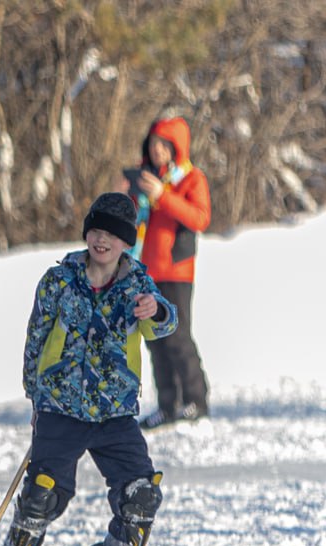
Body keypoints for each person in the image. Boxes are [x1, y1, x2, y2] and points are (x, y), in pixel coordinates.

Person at [0, 193, 178, 546]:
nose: (101, 239)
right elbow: (35, 338)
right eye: (95, 230)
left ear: (126, 242)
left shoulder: (138, 285)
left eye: (111, 234)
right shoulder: (58, 280)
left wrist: (158, 309)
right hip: (61, 407)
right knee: (42, 496)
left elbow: (165, 324)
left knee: (141, 494)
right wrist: (36, 397)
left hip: (114, 412)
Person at [123, 116, 212, 429]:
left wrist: (163, 195)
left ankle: (196, 401)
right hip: (146, 272)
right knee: (155, 341)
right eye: (153, 143)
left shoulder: (191, 179)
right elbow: (133, 222)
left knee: (178, 338)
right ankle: (166, 405)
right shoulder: (146, 177)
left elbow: (200, 217)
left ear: (177, 147)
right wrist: (129, 195)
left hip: (176, 271)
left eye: (163, 144)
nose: (157, 150)